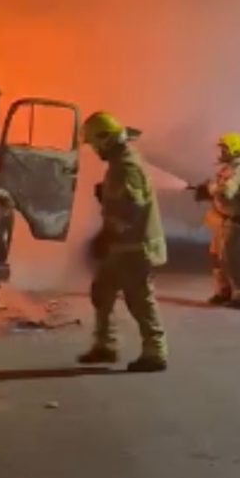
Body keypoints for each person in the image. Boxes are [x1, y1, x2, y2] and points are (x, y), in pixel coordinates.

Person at [77, 111, 168, 373]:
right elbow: (122, 201)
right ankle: (106, 345)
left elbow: (132, 209)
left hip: (135, 246)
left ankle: (155, 352)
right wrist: (104, 198)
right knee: (102, 291)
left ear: (105, 139)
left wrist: (107, 234)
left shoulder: (127, 165)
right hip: (121, 245)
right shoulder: (120, 162)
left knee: (139, 298)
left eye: (95, 143)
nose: (94, 150)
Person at [194, 132, 240, 308]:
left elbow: (227, 192)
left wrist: (210, 187)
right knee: (216, 256)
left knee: (229, 257)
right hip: (220, 219)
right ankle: (223, 291)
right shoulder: (226, 169)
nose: (221, 151)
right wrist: (206, 192)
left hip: (233, 221)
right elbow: (220, 193)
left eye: (224, 148)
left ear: (234, 149)